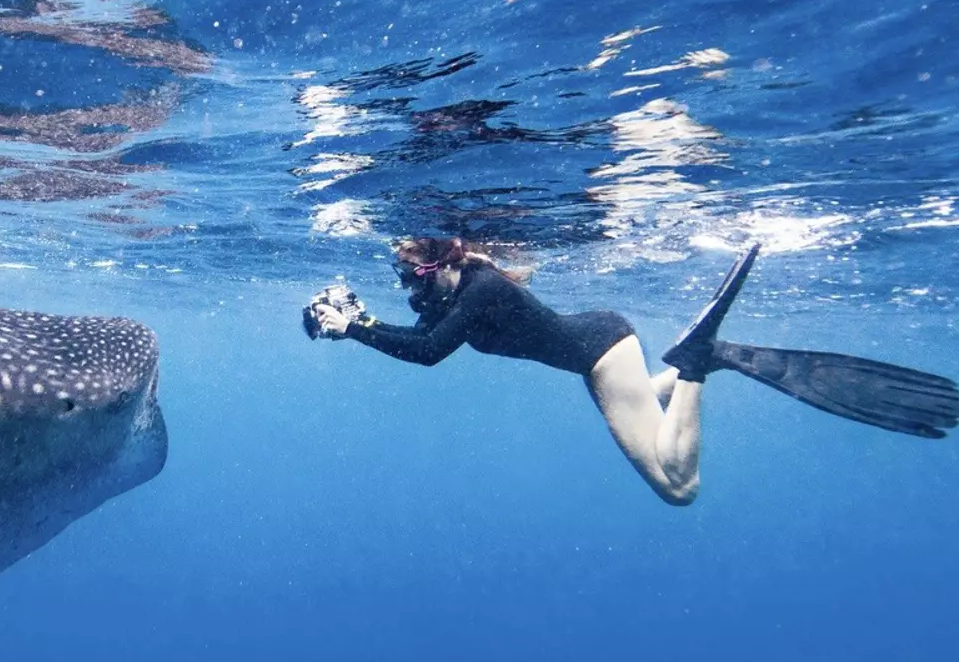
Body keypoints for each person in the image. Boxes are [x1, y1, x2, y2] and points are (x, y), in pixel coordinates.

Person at [304, 237, 958, 505]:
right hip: (598, 351)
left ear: (447, 261)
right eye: (401, 279)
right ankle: (698, 367)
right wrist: (358, 322)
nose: (411, 289)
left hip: (598, 352)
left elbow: (425, 354)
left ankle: (702, 362)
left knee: (679, 486)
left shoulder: (479, 290)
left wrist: (356, 328)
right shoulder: (462, 292)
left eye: (414, 276)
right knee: (641, 402)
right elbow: (417, 336)